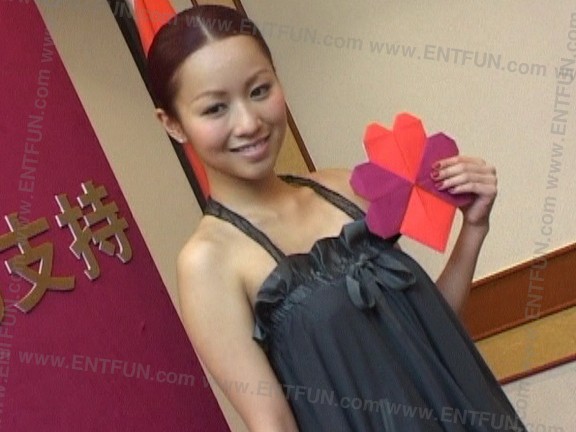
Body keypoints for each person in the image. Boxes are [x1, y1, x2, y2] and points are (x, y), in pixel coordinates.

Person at [149, 5, 526, 431]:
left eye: (259, 90)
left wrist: (473, 228)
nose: (249, 123)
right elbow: (271, 423)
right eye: (215, 109)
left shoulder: (346, 187)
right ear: (173, 123)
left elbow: (432, 333)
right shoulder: (207, 262)